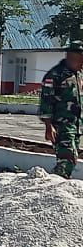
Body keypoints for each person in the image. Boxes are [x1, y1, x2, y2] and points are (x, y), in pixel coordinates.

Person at [39, 40, 83, 179]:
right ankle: (55, 183)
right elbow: (46, 101)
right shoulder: (55, 75)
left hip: (76, 126)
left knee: (71, 158)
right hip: (61, 125)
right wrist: (48, 126)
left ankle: (58, 182)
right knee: (67, 157)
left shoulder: (79, 75)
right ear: (71, 56)